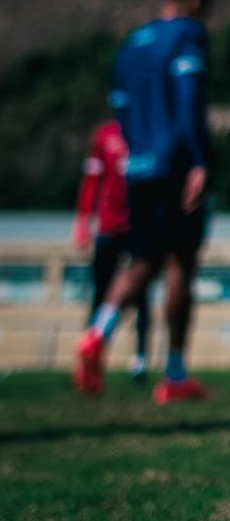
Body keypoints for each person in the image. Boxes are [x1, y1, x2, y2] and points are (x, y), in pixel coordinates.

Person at [74, 0, 215, 403]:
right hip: (176, 160)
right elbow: (188, 98)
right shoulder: (189, 35)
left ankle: (97, 333)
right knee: (181, 266)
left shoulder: (131, 46)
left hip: (138, 167)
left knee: (141, 261)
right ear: (192, 2)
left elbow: (121, 110)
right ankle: (174, 373)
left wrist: (139, 155)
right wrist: (199, 161)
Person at [72, 119, 151, 381]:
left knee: (141, 293)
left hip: (138, 224)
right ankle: (90, 357)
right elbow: (93, 180)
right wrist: (84, 222)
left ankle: (139, 359)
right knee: (100, 292)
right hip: (109, 226)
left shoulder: (147, 130)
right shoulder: (104, 135)